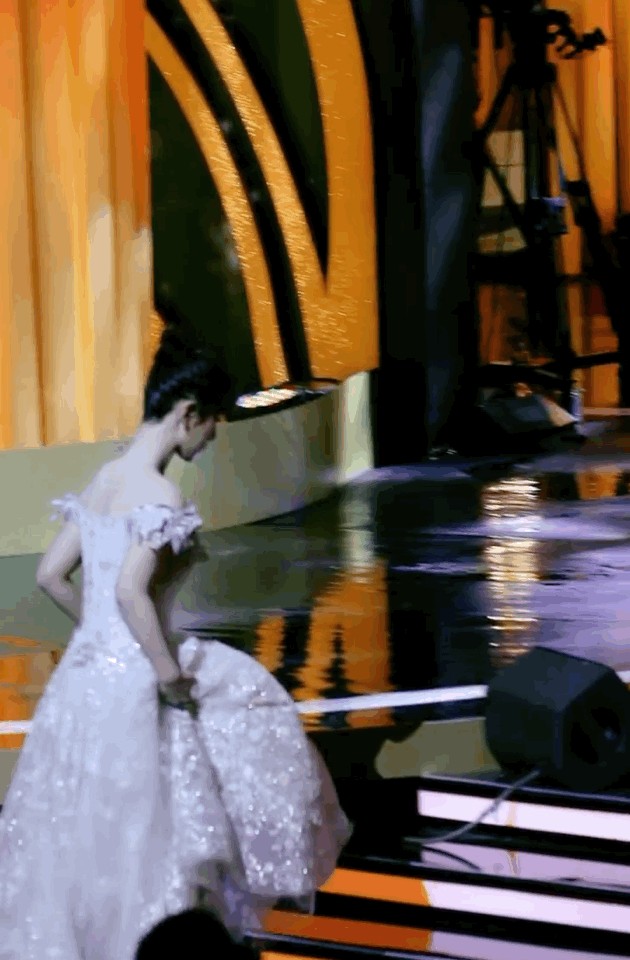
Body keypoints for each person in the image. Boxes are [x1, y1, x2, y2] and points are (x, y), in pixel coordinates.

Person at [0, 327, 351, 960]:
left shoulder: (105, 478)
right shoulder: (161, 495)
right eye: (213, 421)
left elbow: (50, 575)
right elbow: (131, 591)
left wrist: (96, 635)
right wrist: (165, 674)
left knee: (85, 832)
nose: (213, 436)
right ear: (189, 414)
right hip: (136, 681)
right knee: (169, 810)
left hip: (83, 680)